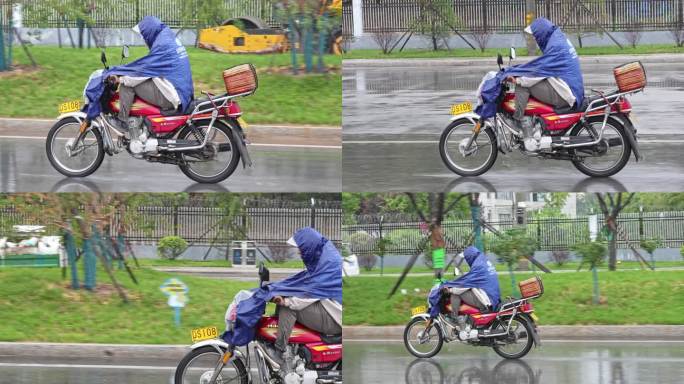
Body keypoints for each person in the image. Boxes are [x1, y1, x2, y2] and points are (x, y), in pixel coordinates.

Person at [222, 227, 342, 375]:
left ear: (308, 246)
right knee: (283, 303)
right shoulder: (322, 255)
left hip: (334, 317)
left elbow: (308, 295)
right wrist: (278, 290)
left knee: (288, 308)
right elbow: (305, 283)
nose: (299, 252)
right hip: (328, 307)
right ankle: (288, 349)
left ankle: (281, 352)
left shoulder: (326, 262)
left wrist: (285, 301)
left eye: (300, 248)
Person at [475, 18, 584, 151]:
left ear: (541, 33)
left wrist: (518, 79)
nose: (536, 40)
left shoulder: (556, 46)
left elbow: (538, 71)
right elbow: (540, 67)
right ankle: (533, 124)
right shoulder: (556, 39)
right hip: (565, 85)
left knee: (522, 85)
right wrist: (516, 71)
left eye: (536, 36)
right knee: (524, 80)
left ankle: (519, 119)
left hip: (567, 92)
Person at [84, 16, 194, 133]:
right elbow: (147, 66)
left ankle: (122, 121)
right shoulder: (166, 38)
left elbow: (142, 71)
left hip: (173, 94)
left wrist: (120, 79)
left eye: (143, 35)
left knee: (127, 85)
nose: (144, 39)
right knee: (132, 80)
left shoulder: (162, 45)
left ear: (149, 31)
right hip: (180, 89)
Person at [428, 246, 500, 340]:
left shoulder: (478, 266)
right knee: (459, 289)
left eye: (466, 258)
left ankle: (456, 317)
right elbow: (470, 278)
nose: (466, 260)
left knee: (456, 293)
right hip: (492, 294)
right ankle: (464, 321)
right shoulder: (482, 261)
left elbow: (464, 284)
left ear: (470, 257)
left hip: (487, 298)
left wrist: (450, 289)